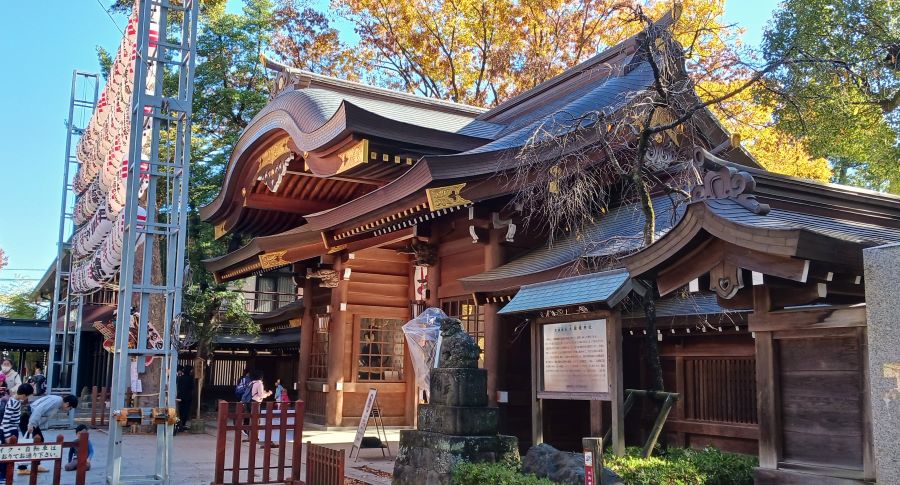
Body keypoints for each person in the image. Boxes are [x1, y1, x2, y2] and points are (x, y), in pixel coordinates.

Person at [19, 393, 78, 475]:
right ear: (67, 404)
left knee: (38, 440)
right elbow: (39, 409)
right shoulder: (56, 401)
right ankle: (22, 468)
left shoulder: (58, 402)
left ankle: (36, 465)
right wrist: (31, 424)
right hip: (29, 418)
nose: (69, 410)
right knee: (30, 442)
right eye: (70, 408)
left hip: (31, 418)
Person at [176, 366, 194, 432]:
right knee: (186, 411)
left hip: (180, 396)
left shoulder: (180, 378)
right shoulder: (190, 378)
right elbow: (192, 387)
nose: (192, 372)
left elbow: (178, 387)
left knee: (180, 410)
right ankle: (183, 424)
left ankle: (179, 424)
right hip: (187, 397)